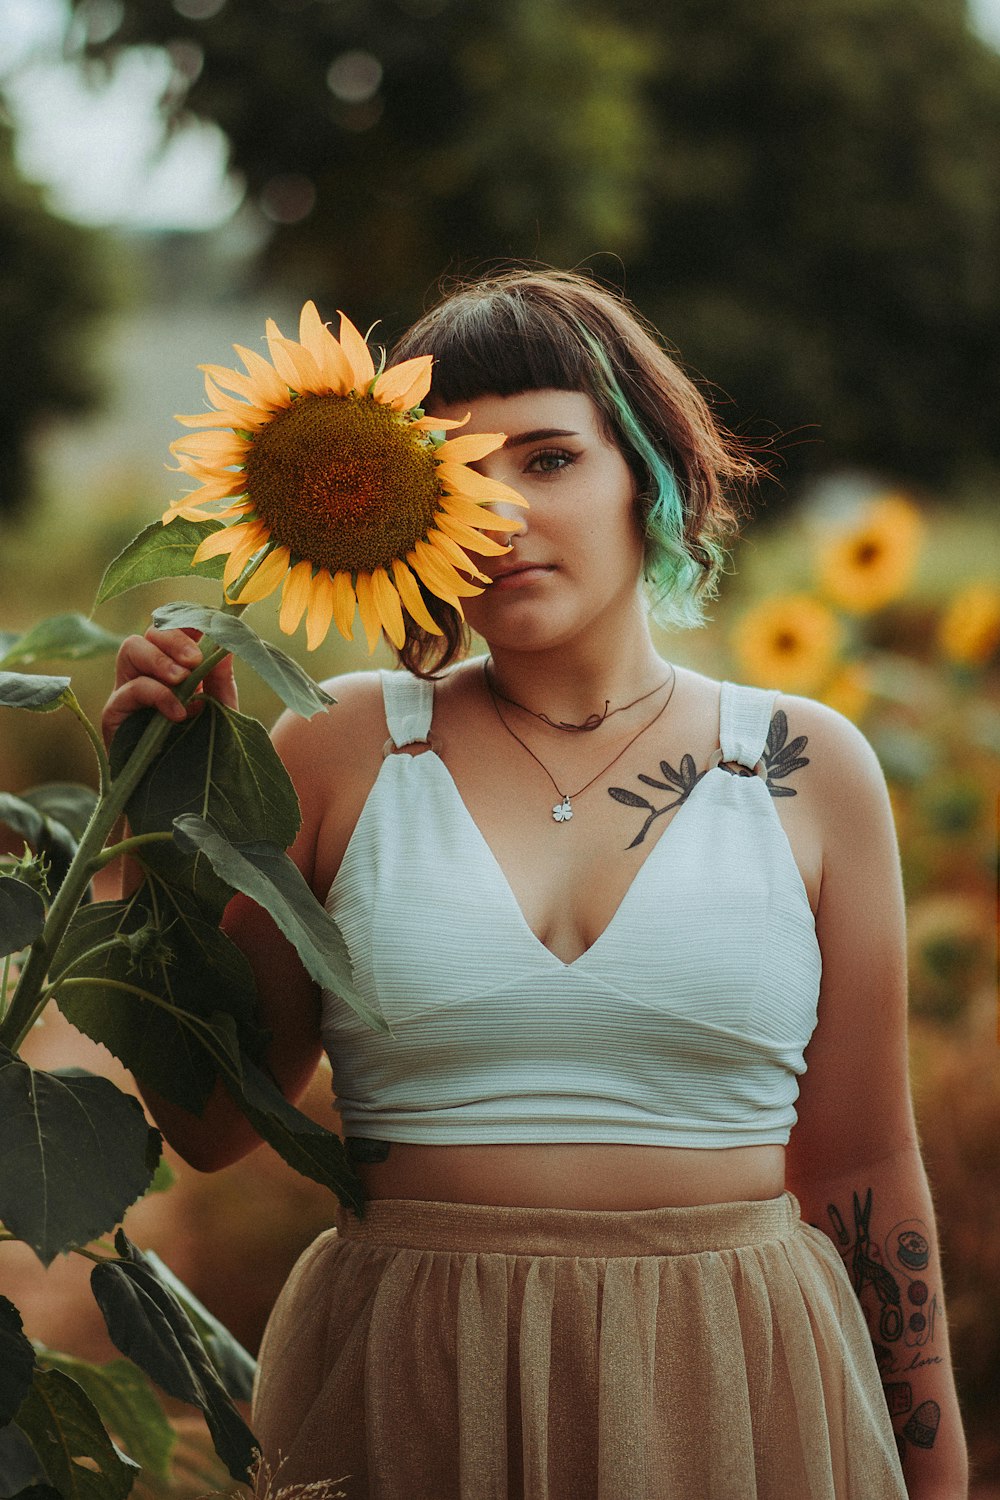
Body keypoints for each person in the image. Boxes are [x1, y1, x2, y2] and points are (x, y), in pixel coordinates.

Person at [103, 270, 967, 1499]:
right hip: (411, 1377)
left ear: (648, 475)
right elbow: (209, 1126)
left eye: (550, 459)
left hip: (736, 1378)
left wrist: (934, 1480)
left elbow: (859, 1169)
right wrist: (160, 825)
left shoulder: (805, 767)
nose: (497, 512)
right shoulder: (339, 747)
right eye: (454, 477)